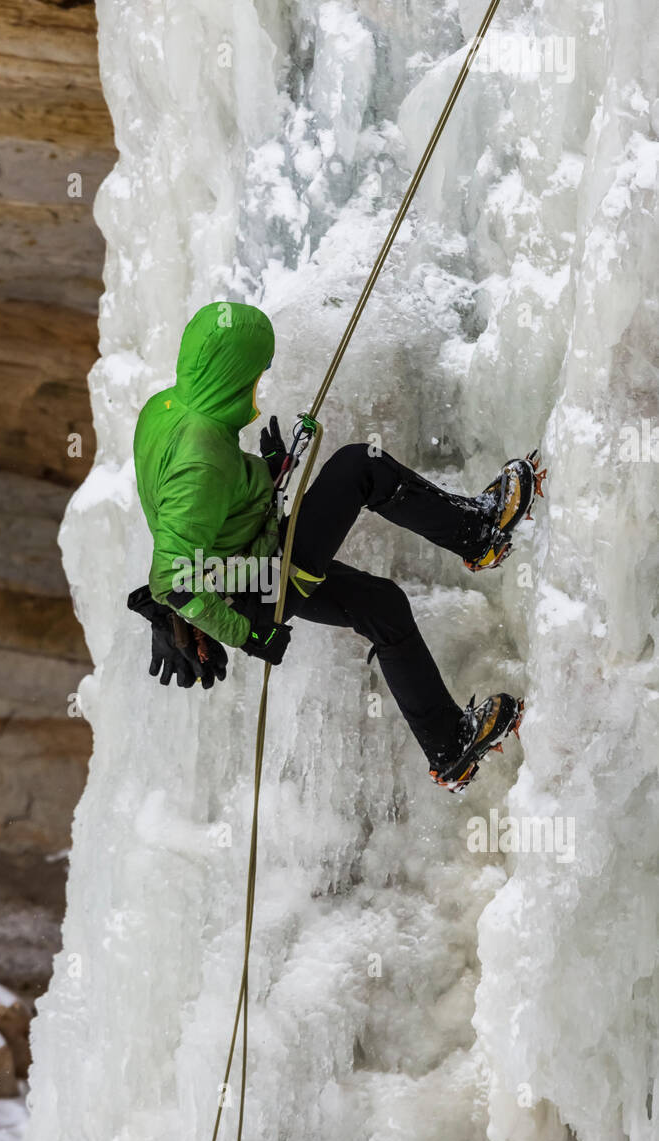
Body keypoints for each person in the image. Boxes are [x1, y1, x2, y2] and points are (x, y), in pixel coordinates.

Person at [128, 301, 545, 791]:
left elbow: (205, 505)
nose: (258, 385)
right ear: (234, 371)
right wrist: (247, 635)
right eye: (258, 373)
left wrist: (268, 472)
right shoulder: (201, 459)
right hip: (261, 588)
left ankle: (449, 746)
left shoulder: (165, 409)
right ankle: (480, 531)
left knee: (383, 608)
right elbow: (175, 577)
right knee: (357, 467)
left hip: (250, 561)